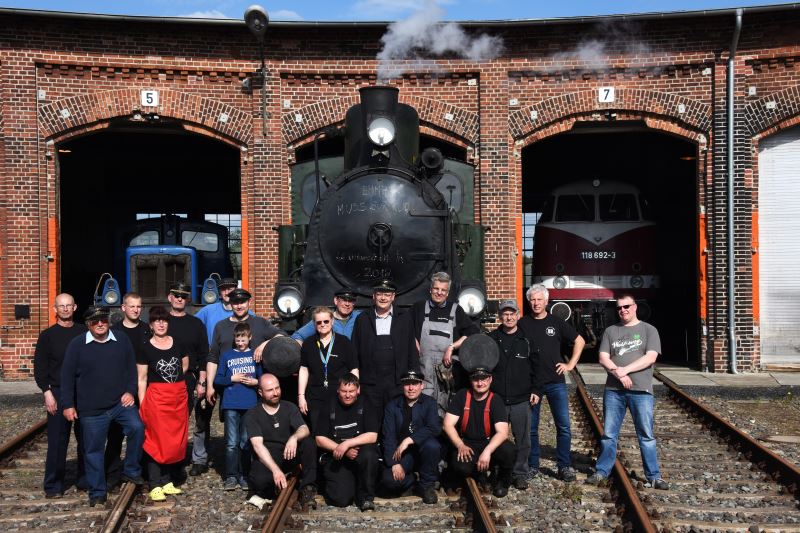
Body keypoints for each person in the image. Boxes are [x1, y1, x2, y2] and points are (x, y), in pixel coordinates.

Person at [60, 306, 145, 507]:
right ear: (88, 324)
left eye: (104, 320)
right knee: (93, 451)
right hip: (91, 409)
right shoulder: (77, 344)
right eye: (95, 321)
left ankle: (131, 470)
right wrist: (68, 404)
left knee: (137, 428)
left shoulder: (121, 339)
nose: (100, 324)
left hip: (119, 403)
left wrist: (130, 391)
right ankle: (97, 492)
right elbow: (67, 377)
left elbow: (131, 369)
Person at [586, 294, 669, 490]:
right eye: (619, 308)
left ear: (635, 307)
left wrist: (626, 370)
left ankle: (654, 476)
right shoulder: (610, 331)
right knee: (609, 434)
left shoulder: (649, 330)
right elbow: (603, 358)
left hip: (641, 390)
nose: (623, 310)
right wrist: (619, 374)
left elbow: (650, 357)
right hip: (614, 391)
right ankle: (602, 471)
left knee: (646, 434)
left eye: (626, 306)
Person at [520, 284, 585, 482]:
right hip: (532, 384)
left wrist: (570, 364)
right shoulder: (523, 323)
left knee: (563, 426)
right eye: (532, 299)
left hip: (555, 382)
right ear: (529, 302)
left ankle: (564, 466)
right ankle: (533, 465)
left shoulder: (556, 322)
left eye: (539, 299)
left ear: (546, 301)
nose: (536, 303)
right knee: (531, 428)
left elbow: (580, 341)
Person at [33, 293, 87, 498]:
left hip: (81, 391)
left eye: (68, 305)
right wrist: (47, 392)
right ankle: (53, 485)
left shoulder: (84, 332)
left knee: (86, 439)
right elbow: (40, 368)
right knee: (57, 441)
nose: (65, 309)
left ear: (75, 307)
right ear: (55, 309)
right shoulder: (47, 336)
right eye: (61, 306)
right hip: (57, 391)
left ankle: (85, 480)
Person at [136, 306, 189, 501]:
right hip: (157, 400)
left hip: (177, 398)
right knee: (155, 440)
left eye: (164, 320)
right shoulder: (145, 348)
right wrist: (143, 404)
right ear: (150, 325)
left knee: (173, 441)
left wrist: (173, 387)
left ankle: (166, 481)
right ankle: (155, 483)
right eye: (156, 320)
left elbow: (184, 366)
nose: (160, 324)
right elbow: (142, 379)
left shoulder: (178, 343)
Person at [411, 272, 479, 417]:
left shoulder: (455, 310)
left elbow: (472, 331)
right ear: (431, 289)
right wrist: (413, 341)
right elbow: (405, 329)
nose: (439, 292)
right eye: (436, 289)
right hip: (424, 367)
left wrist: (452, 347)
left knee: (446, 404)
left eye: (443, 290)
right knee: (423, 403)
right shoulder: (419, 308)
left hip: (447, 370)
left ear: (447, 293)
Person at [488, 300, 540, 490]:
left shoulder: (527, 340)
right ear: (500, 316)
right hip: (497, 399)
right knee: (495, 437)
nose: (509, 317)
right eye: (505, 314)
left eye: (512, 314)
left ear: (518, 315)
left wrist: (536, 390)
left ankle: (519, 474)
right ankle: (496, 471)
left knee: (523, 440)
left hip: (521, 398)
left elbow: (537, 367)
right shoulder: (491, 339)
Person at [245, 374, 317, 509]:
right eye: (270, 390)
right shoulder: (253, 414)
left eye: (277, 388)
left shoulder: (289, 407)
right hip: (269, 458)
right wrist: (275, 470)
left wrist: (294, 438)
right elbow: (257, 445)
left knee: (308, 443)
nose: (275, 393)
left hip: (288, 454)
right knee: (260, 482)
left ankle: (307, 488)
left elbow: (304, 428)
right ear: (260, 392)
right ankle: (277, 485)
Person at [351, 280, 418, 423]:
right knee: (371, 420)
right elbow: (354, 351)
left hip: (396, 381)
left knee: (396, 420)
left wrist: (413, 378)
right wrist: (355, 381)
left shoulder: (404, 318)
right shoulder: (362, 319)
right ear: (373, 296)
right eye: (380, 294)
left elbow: (411, 350)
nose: (383, 298)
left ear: (393, 297)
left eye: (387, 294)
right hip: (370, 382)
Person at [443, 367, 515, 498]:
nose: (480, 383)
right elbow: (447, 424)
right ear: (471, 381)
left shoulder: (495, 400)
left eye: (484, 379)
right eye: (476, 380)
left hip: (489, 443)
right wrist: (460, 445)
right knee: (461, 467)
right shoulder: (462, 396)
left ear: (490, 379)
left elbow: (502, 432)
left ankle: (502, 481)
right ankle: (476, 476)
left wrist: (487, 451)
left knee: (509, 451)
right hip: (467, 444)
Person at [314, 373, 379, 511]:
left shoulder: (366, 402)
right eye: (344, 391)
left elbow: (373, 436)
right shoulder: (329, 404)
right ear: (338, 390)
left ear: (358, 390)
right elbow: (319, 439)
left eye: (351, 391)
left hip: (360, 454)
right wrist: (341, 449)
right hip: (337, 457)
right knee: (340, 499)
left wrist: (347, 444)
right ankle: (348, 485)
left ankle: (366, 498)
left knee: (370, 454)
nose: (348, 395)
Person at [165, 282, 210, 477]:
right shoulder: (162, 322)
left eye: (183, 296)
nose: (179, 299)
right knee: (173, 422)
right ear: (170, 297)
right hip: (166, 379)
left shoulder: (196, 324)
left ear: (187, 299)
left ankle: (199, 459)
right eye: (176, 295)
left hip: (191, 377)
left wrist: (202, 381)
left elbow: (204, 354)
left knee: (200, 421)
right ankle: (175, 457)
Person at [107, 292, 151, 491]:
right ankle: (112, 473)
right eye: (132, 306)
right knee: (115, 434)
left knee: (142, 430)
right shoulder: (113, 331)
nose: (135, 310)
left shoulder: (147, 330)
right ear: (123, 308)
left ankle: (139, 469)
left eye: (139, 306)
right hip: (119, 390)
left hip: (143, 387)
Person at [380, 370, 441, 504]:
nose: (411, 388)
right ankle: (412, 481)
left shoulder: (429, 402)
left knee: (432, 445)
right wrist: (394, 464)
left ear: (422, 385)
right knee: (389, 481)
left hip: (423, 452)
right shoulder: (393, 405)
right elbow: (388, 436)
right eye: (407, 384)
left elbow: (434, 428)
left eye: (415, 384)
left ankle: (427, 486)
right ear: (403, 386)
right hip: (402, 454)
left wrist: (409, 440)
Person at [214, 322, 262, 491]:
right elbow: (218, 379)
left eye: (243, 340)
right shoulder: (227, 356)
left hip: (250, 404)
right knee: (231, 442)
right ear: (234, 339)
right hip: (231, 404)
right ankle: (231, 476)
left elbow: (263, 378)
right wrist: (231, 379)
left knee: (246, 441)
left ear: (250, 338)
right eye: (238, 340)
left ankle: (244, 475)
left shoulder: (255, 355)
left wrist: (256, 382)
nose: (240, 343)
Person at [298, 306, 359, 428]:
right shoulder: (308, 344)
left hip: (339, 397)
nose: (322, 324)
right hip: (315, 398)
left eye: (326, 321)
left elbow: (354, 369)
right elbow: (304, 369)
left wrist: (354, 392)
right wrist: (301, 396)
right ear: (314, 324)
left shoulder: (344, 342)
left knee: (339, 431)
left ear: (332, 321)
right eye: (318, 322)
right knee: (317, 432)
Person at [292, 288, 362, 342]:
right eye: (344, 300)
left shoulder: (360, 317)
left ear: (354, 303)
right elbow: (298, 336)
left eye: (350, 301)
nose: (347, 304)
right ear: (336, 301)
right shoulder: (324, 319)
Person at [194, 277, 240, 343]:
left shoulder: (243, 312)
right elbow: (191, 325)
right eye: (223, 289)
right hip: (212, 349)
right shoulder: (208, 310)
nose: (226, 293)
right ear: (220, 292)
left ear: (236, 290)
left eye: (230, 289)